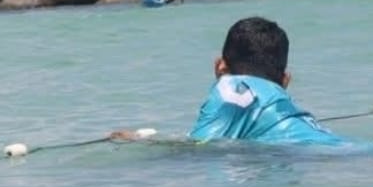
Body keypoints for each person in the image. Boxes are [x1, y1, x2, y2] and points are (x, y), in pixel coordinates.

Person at [111, 16, 346, 145]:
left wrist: (139, 141)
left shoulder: (230, 86)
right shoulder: (283, 104)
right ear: (285, 81)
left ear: (220, 67)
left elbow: (201, 148)